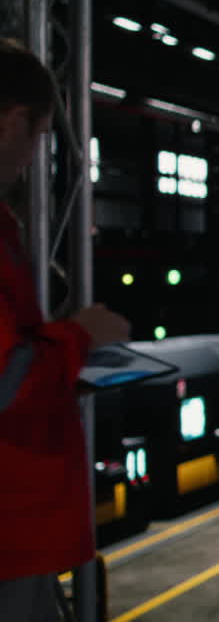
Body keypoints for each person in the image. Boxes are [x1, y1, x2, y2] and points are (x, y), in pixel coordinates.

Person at [0, 38, 131, 620]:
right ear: (13, 122)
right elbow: (7, 377)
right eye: (40, 136)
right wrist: (81, 337)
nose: (34, 157)